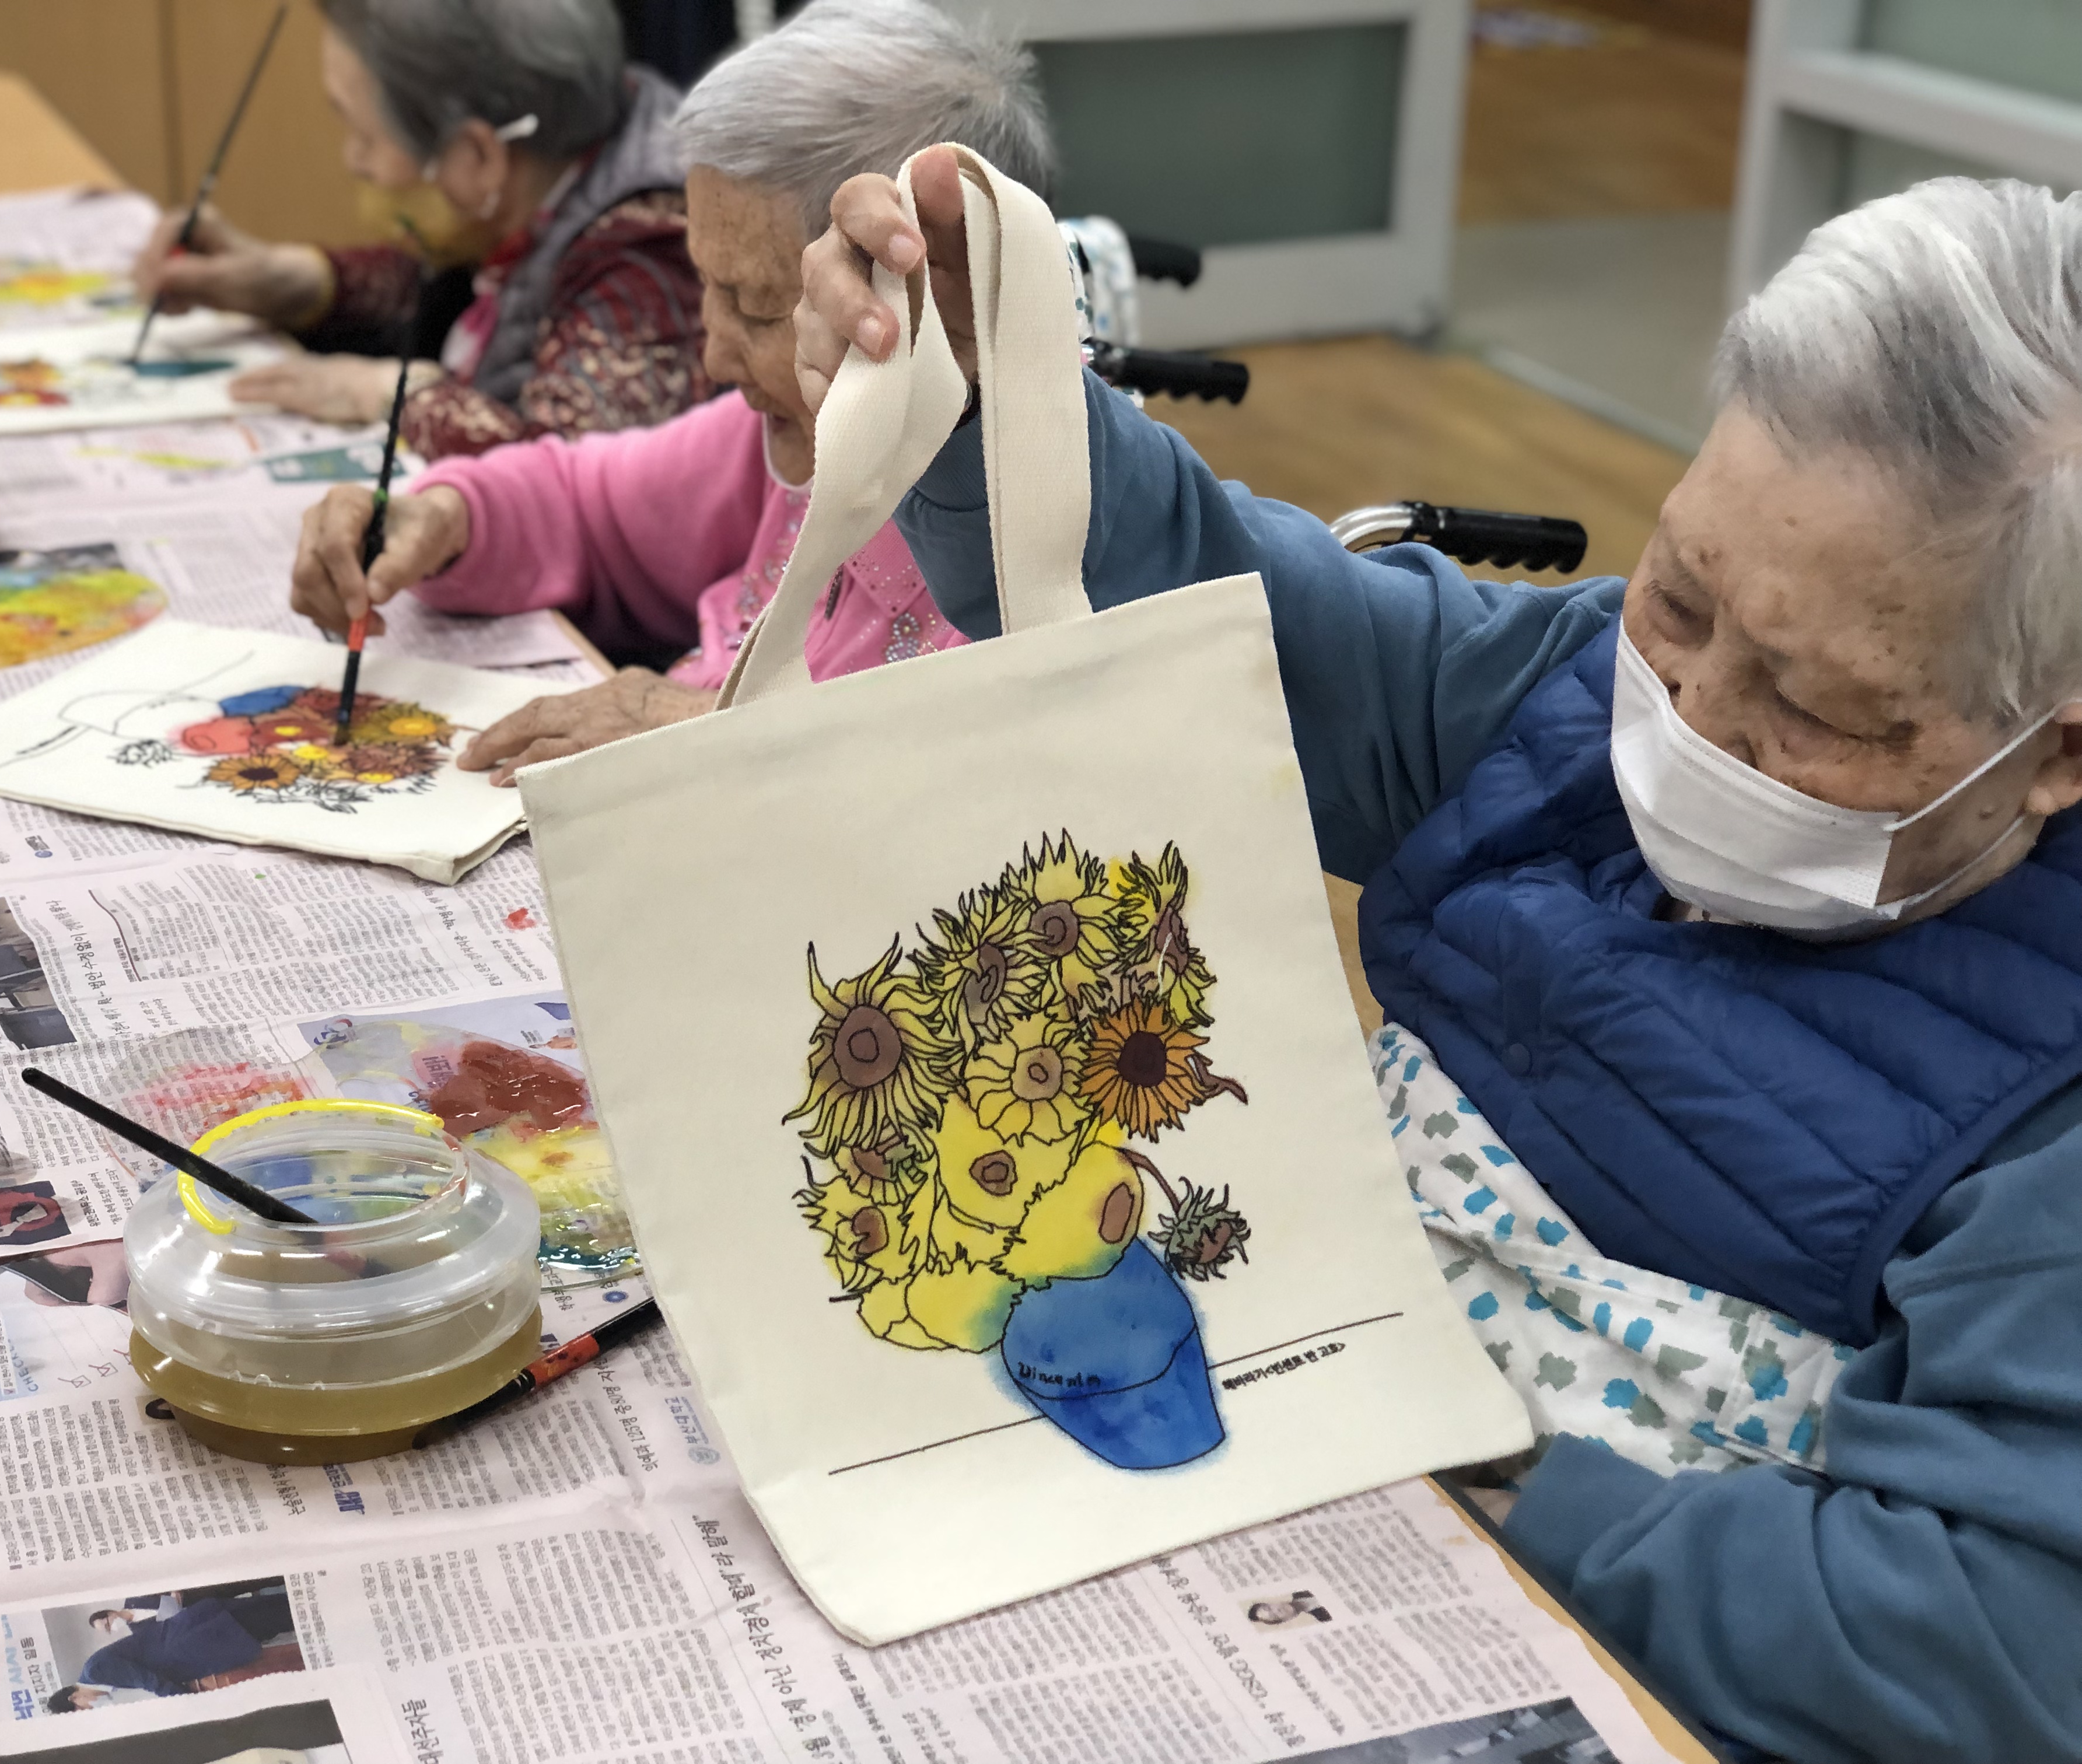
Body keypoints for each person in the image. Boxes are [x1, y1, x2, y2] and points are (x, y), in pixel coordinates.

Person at [799, 160, 2082, 1764]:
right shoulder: (1558, 703)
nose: (1690, 724)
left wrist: (1477, 1477)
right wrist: (986, 401)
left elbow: (1990, 1642)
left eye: (1816, 710)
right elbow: (1203, 623)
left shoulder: (2048, 1119)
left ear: (2057, 751)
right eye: (1681, 603)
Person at [287, 0, 1053, 774]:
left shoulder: (1031, 535)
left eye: (754, 307)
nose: (713, 357)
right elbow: (586, 504)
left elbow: (954, 764)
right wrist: (442, 518)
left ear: (933, 298)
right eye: (707, 289)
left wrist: (696, 724)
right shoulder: (784, 439)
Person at [132, 0, 709, 458]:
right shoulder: (551, 164)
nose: (354, 161)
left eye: (365, 135)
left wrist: (389, 397)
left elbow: (568, 471)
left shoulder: (649, 258)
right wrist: (301, 283)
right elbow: (455, 282)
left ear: (480, 157)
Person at [72, 1589, 298, 1698]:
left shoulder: (95, 1672)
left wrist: (187, 1703)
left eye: (81, 1710)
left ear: (73, 1699)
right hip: (202, 1628)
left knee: (280, 1615)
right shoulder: (98, 1673)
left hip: (204, 1636)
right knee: (277, 1611)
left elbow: (151, 1680)